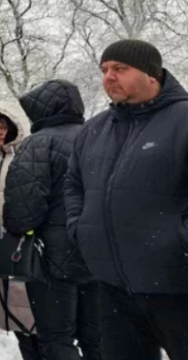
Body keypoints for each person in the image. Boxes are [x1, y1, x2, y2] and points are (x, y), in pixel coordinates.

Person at [65, 40, 188, 360]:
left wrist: (178, 242)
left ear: (152, 75)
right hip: (113, 287)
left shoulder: (184, 120)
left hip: (177, 285)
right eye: (105, 70)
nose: (109, 77)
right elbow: (74, 185)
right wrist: (80, 229)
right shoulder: (93, 130)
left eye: (120, 68)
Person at [4, 80, 100, 360]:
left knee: (57, 339)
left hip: (51, 258)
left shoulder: (38, 144)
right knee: (97, 338)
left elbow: (23, 211)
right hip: (96, 253)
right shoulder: (97, 135)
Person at [0, 102, 40, 360]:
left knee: (27, 305)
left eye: (4, 126)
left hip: (21, 244)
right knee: (5, 304)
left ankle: (35, 350)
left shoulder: (25, 156)